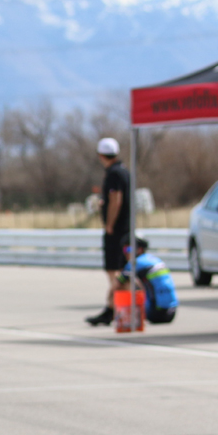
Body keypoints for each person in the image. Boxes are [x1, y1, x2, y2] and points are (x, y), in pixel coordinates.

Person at [86, 137, 131, 326]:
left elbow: (116, 199)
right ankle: (113, 308)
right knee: (120, 272)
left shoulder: (113, 174)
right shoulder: (125, 171)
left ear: (100, 155)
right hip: (127, 228)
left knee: (115, 272)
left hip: (117, 231)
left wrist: (109, 224)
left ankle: (116, 309)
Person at [116, 236, 178, 324]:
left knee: (126, 283)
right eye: (124, 250)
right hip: (172, 313)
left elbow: (118, 283)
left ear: (140, 249)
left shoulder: (135, 262)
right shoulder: (154, 259)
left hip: (155, 313)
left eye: (128, 249)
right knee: (137, 281)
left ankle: (120, 315)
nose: (125, 253)